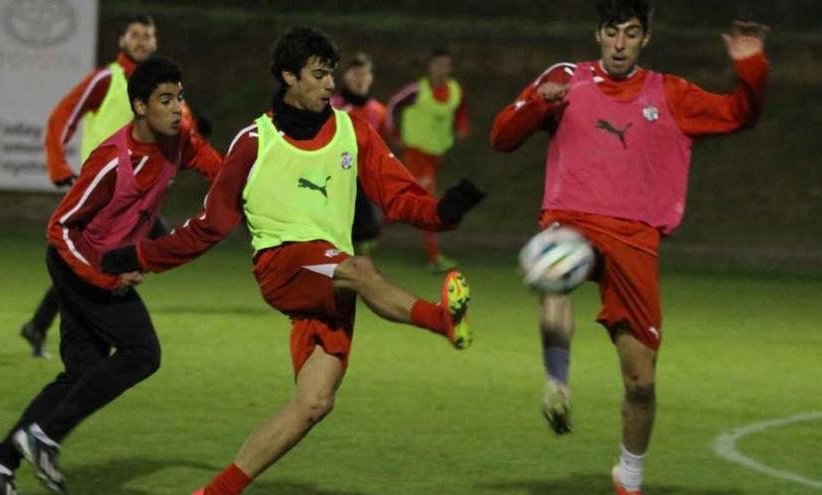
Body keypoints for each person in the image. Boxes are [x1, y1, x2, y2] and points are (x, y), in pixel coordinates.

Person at [99, 27, 485, 495]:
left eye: (331, 75)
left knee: (314, 404)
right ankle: (441, 319)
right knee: (362, 268)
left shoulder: (352, 130)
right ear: (289, 77)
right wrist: (136, 254)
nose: (329, 85)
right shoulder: (253, 142)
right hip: (284, 263)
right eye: (319, 75)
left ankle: (214, 492)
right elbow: (207, 226)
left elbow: (398, 194)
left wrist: (443, 212)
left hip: (328, 276)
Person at [489, 1, 769, 493]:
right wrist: (538, 103)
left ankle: (629, 478)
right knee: (554, 265)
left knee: (641, 382)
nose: (620, 43)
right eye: (612, 32)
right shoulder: (566, 79)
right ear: (598, 35)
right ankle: (557, 380)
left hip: (635, 239)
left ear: (646, 39)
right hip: (571, 219)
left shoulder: (672, 93)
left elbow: (739, 114)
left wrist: (750, 65)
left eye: (631, 33)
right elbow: (500, 137)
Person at [0, 57, 223, 495]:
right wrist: (106, 278)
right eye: (166, 100)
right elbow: (60, 228)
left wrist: (242, 183)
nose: (177, 109)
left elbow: (210, 162)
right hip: (80, 267)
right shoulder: (112, 160)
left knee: (80, 375)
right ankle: (44, 436)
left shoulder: (177, 139)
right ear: (140, 106)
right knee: (142, 353)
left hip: (105, 265)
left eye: (179, 98)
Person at [19, 14, 216, 358]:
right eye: (135, 35)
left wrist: (200, 137)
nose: (142, 41)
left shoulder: (160, 89)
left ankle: (48, 323)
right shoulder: (105, 80)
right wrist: (60, 167)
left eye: (148, 36)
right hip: (101, 192)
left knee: (114, 256)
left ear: (155, 43)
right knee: (108, 256)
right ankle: (83, 318)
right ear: (122, 40)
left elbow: (186, 130)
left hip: (136, 199)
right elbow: (62, 116)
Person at [388, 47, 469, 272]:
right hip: (416, 154)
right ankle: (434, 258)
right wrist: (394, 135)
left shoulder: (455, 90)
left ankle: (368, 229)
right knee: (429, 203)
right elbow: (393, 105)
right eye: (438, 64)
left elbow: (460, 111)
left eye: (446, 65)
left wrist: (462, 128)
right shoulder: (416, 90)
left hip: (436, 155)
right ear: (430, 67)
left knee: (402, 199)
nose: (443, 69)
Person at [330, 52, 387, 255]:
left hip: (363, 182)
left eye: (364, 74)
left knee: (368, 233)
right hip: (334, 180)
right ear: (346, 76)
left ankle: (360, 275)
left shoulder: (379, 111)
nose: (360, 78)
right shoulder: (331, 106)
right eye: (355, 73)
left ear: (370, 78)